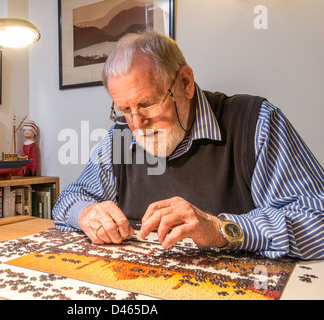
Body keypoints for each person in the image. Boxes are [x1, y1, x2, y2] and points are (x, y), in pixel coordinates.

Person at [52, 31, 324, 260]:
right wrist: (86, 212)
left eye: (147, 104)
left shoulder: (256, 123)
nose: (136, 124)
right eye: (124, 109)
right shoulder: (120, 138)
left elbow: (317, 220)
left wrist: (220, 229)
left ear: (185, 83)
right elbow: (68, 200)